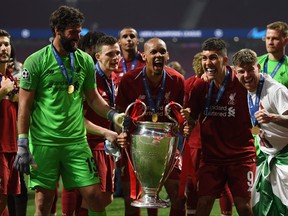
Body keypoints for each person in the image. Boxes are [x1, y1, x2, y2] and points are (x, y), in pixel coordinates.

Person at [13, 5, 124, 215]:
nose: (77, 37)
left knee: (95, 197)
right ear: (58, 30)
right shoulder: (35, 61)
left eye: (79, 31)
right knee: (44, 202)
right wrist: (22, 143)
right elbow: (24, 107)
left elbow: (93, 98)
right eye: (73, 32)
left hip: (76, 142)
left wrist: (113, 115)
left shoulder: (84, 60)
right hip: (45, 143)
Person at [185, 38, 256, 216]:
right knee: (204, 202)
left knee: (244, 206)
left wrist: (259, 133)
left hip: (240, 158)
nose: (208, 63)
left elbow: (257, 116)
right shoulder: (201, 86)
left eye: (213, 58)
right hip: (212, 159)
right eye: (205, 58)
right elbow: (192, 118)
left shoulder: (241, 83)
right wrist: (188, 122)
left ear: (225, 60)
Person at [116, 37, 186, 216]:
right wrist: (121, 135)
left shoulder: (177, 80)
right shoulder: (129, 80)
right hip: (135, 148)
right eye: (153, 52)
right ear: (144, 56)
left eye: (162, 51)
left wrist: (184, 124)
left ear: (168, 56)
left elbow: (180, 116)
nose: (158, 55)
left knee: (179, 195)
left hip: (166, 148)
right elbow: (120, 114)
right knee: (132, 201)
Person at [232, 48, 288, 216]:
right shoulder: (248, 90)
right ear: (236, 73)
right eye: (241, 71)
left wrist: (273, 118)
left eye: (250, 69)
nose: (247, 75)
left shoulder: (276, 90)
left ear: (258, 67)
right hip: (265, 156)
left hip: (284, 156)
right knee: (262, 208)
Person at [179, 52, 233, 216]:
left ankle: (223, 212)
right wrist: (186, 123)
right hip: (197, 139)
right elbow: (185, 110)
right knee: (192, 180)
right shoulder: (192, 84)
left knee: (219, 182)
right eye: (202, 62)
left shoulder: (219, 84)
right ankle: (195, 211)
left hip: (211, 140)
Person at [60, 30, 107, 216]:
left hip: (98, 141)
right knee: (75, 188)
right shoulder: (80, 73)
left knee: (98, 194)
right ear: (90, 49)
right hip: (80, 139)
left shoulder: (101, 75)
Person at [0, 29, 21, 215]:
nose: (3, 48)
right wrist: (2, 92)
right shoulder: (6, 83)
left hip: (11, 148)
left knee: (6, 198)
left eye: (6, 44)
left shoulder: (11, 78)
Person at [258, 21, 288, 88]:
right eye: (268, 38)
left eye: (275, 39)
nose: (270, 42)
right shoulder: (256, 63)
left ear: (285, 41)